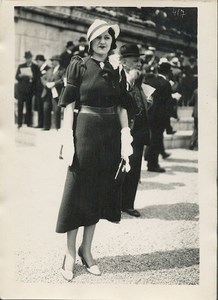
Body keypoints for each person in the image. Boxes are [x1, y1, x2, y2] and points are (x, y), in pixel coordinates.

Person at [56, 19, 133, 281]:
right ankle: (69, 253)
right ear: (90, 40)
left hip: (110, 134)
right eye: (98, 37)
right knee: (78, 191)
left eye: (107, 38)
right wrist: (68, 138)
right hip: (85, 131)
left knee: (99, 192)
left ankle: (86, 250)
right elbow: (69, 105)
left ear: (112, 43)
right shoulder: (78, 65)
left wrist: (126, 136)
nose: (103, 42)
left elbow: (123, 107)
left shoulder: (116, 70)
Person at [119, 44, 150, 217]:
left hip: (138, 132)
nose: (140, 63)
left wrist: (146, 102)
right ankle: (115, 204)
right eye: (135, 60)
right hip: (124, 131)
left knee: (135, 169)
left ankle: (128, 204)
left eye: (140, 60)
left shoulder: (138, 80)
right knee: (121, 167)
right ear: (124, 62)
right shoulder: (118, 79)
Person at [145, 60, 172, 172]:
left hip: (149, 114)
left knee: (151, 138)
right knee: (156, 139)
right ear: (168, 72)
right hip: (160, 117)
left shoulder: (150, 81)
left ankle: (149, 160)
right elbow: (167, 105)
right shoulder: (166, 84)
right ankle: (153, 164)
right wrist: (168, 123)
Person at [40, 55, 65, 130]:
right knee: (46, 108)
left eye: (53, 61)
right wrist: (46, 83)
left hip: (56, 93)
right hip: (47, 92)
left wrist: (54, 83)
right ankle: (46, 127)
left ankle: (57, 127)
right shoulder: (49, 70)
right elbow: (42, 78)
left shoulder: (62, 70)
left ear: (57, 61)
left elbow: (63, 80)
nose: (52, 62)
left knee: (56, 110)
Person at [15, 51, 38, 128]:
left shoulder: (35, 67)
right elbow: (16, 77)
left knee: (29, 107)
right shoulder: (21, 66)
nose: (28, 60)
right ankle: (19, 123)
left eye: (29, 58)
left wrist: (32, 77)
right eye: (27, 58)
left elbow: (37, 78)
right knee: (20, 107)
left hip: (30, 90)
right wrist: (20, 76)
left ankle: (28, 123)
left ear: (31, 58)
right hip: (21, 90)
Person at [35, 54, 50, 128]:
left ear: (42, 61)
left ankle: (43, 124)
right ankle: (40, 123)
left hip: (44, 90)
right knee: (39, 107)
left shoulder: (48, 68)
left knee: (43, 107)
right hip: (38, 91)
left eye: (38, 61)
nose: (37, 63)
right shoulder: (39, 69)